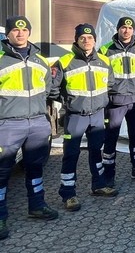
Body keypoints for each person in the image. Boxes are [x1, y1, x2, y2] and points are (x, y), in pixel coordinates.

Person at [0, 16, 58, 240]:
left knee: (35, 167)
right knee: (3, 171)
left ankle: (37, 205)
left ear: (29, 33)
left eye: (24, 30)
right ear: (8, 34)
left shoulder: (41, 61)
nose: (20, 34)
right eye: (15, 30)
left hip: (36, 122)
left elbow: (47, 89)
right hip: (7, 124)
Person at [51, 23, 117, 211]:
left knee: (96, 151)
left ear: (95, 40)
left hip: (97, 115)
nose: (86, 41)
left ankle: (99, 185)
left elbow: (110, 84)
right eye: (82, 38)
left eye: (90, 38)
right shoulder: (64, 61)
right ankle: (68, 194)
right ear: (77, 40)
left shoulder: (104, 60)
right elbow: (52, 88)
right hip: (75, 117)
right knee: (71, 154)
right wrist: (69, 101)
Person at [99, 16, 135, 185]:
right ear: (118, 29)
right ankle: (108, 173)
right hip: (115, 102)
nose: (126, 30)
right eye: (123, 27)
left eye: (129, 28)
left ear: (134, 30)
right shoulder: (106, 50)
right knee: (111, 137)